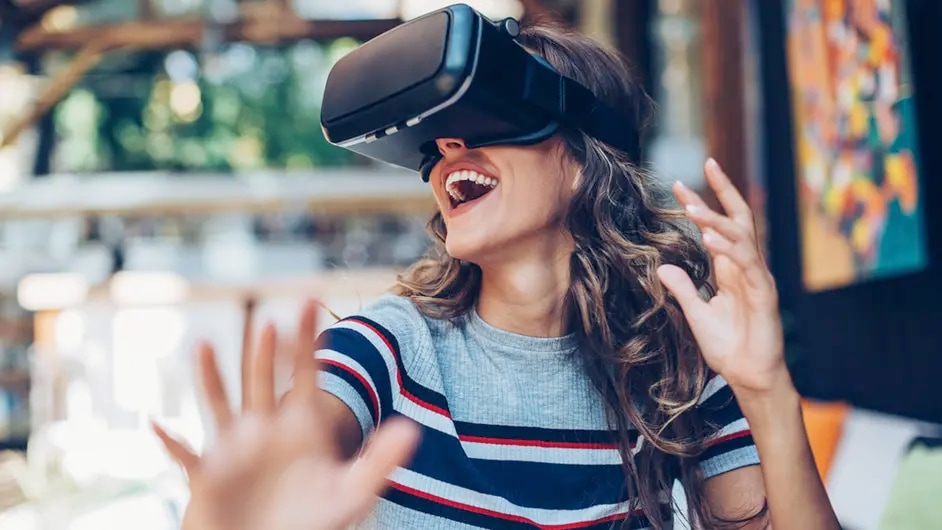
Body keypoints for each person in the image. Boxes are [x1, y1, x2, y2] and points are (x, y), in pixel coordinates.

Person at [153, 19, 840, 530]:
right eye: (434, 137)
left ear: (582, 159)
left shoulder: (675, 366)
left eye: (483, 116)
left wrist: (767, 391)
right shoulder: (387, 350)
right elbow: (298, 455)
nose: (448, 145)